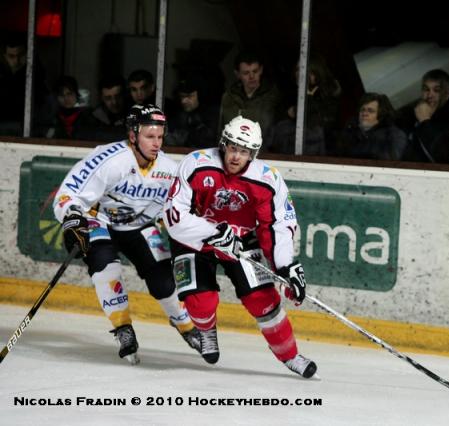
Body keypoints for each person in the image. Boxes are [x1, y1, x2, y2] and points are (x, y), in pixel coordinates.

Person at [163, 115, 317, 378]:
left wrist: (286, 265)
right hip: (193, 239)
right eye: (233, 148)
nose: (236, 156)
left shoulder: (268, 180)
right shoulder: (197, 163)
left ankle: (290, 356)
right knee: (200, 303)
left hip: (241, 239)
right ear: (224, 144)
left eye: (243, 151)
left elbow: (277, 225)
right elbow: (173, 215)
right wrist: (211, 233)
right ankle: (207, 330)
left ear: (253, 154)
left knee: (264, 301)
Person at [52, 104, 202, 364]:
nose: (156, 143)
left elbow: (180, 209)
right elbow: (66, 196)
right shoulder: (109, 160)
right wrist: (73, 217)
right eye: (149, 136)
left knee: (163, 280)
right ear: (133, 135)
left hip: (138, 225)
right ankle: (123, 329)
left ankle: (186, 325)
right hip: (96, 220)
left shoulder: (168, 169)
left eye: (159, 136)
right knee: (104, 263)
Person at [266, 54, 342, 155]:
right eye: (297, 69)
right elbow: (276, 126)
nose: (300, 73)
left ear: (317, 73)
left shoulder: (329, 96)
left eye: (306, 70)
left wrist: (308, 100)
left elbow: (317, 127)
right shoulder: (289, 94)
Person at [219, 50, 282, 138]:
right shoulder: (228, 97)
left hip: (263, 150)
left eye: (255, 71)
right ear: (237, 74)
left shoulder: (273, 97)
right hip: (233, 149)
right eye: (246, 73)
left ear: (261, 70)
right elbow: (221, 130)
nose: (252, 76)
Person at [399, 69, 449, 163]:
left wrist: (425, 121)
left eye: (437, 90)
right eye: (426, 89)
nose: (430, 95)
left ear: (448, 94)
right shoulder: (411, 119)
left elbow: (444, 155)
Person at [335, 92, 407, 160]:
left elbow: (390, 160)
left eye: (370, 111)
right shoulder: (350, 131)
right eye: (362, 110)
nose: (364, 113)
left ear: (381, 115)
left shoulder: (393, 135)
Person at [165, 74, 218, 148]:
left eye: (189, 96)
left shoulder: (211, 117)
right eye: (182, 96)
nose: (184, 101)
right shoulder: (175, 114)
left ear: (200, 95)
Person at [45, 75, 94, 140]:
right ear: (56, 97)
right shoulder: (52, 119)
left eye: (69, 94)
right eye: (61, 95)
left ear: (76, 94)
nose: (66, 98)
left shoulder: (89, 117)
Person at [91, 74, 127, 141]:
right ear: (101, 98)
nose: (114, 102)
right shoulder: (92, 118)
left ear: (124, 95)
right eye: (108, 98)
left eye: (118, 96)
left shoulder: (134, 114)